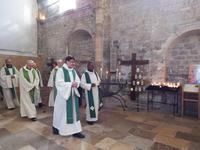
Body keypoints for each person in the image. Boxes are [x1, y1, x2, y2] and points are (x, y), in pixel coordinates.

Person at [53, 56, 85, 138]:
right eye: (71, 62)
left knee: (74, 113)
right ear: (66, 62)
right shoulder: (60, 70)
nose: (73, 63)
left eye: (74, 62)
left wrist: (76, 84)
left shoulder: (73, 71)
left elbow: (78, 81)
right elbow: (59, 83)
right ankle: (58, 128)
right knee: (62, 114)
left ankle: (76, 131)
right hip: (64, 97)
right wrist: (70, 84)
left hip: (72, 96)